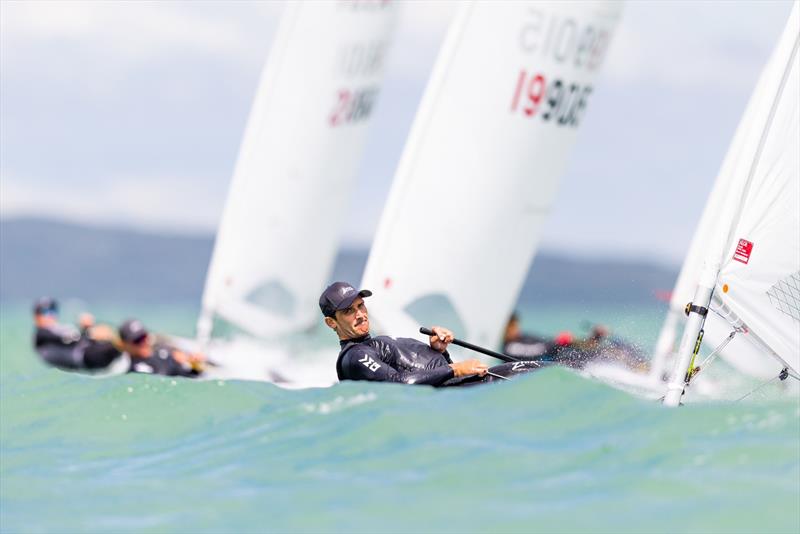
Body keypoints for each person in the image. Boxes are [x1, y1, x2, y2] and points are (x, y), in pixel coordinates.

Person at [320, 282, 540, 387]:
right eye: (349, 311)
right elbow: (400, 383)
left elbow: (426, 373)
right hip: (468, 389)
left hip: (470, 383)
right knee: (541, 373)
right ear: (331, 322)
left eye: (361, 306)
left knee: (543, 369)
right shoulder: (356, 356)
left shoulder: (376, 344)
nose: (360, 314)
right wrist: (454, 369)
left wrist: (439, 351)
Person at [32, 297, 121, 371]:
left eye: (53, 311)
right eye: (45, 312)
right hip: (85, 358)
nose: (51, 315)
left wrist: (89, 328)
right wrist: (89, 332)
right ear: (36, 316)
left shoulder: (58, 328)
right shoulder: (41, 335)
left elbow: (74, 337)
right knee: (118, 344)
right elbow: (67, 339)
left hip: (89, 352)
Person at [119, 319, 205, 378]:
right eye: (137, 340)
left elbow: (189, 375)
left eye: (144, 336)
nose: (143, 342)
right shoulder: (135, 371)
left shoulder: (163, 353)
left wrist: (195, 365)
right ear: (125, 345)